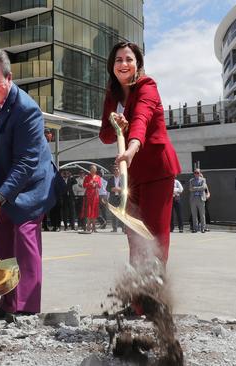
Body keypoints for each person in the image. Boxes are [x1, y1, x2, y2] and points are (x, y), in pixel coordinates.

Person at [0, 49, 59, 320]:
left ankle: (27, 310)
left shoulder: (27, 110)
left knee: (25, 235)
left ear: (9, 77)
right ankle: (7, 304)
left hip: (31, 183)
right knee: (1, 237)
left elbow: (26, 163)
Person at [99, 41, 181, 266]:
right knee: (134, 236)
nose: (123, 64)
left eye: (129, 59)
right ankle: (136, 297)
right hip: (133, 173)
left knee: (154, 234)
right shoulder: (112, 95)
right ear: (112, 65)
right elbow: (105, 135)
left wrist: (131, 147)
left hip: (157, 170)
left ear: (138, 64)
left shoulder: (147, 86)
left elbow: (141, 121)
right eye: (118, 60)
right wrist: (117, 127)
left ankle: (156, 297)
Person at [81, 165, 101, 233]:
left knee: (94, 212)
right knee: (89, 211)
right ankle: (89, 226)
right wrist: (90, 184)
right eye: (92, 169)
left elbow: (100, 185)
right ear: (90, 170)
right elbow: (84, 185)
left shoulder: (98, 177)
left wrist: (96, 184)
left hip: (95, 196)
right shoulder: (87, 177)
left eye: (94, 169)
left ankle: (93, 227)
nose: (93, 171)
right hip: (89, 196)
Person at [189, 169, 208, 233]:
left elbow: (203, 187)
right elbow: (191, 189)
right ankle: (195, 228)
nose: (196, 174)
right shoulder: (191, 180)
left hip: (201, 199)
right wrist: (198, 188)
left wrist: (195, 188)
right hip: (193, 199)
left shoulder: (203, 180)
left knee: (202, 214)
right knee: (194, 215)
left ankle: (203, 228)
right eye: (195, 172)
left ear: (200, 173)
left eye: (197, 172)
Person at [106, 165, 124, 232]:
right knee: (114, 213)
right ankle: (114, 228)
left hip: (120, 197)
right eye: (114, 170)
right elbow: (107, 188)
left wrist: (120, 189)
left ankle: (123, 228)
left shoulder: (123, 179)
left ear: (119, 171)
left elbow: (127, 187)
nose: (116, 171)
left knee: (122, 213)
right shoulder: (110, 179)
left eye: (117, 169)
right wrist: (111, 189)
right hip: (113, 198)